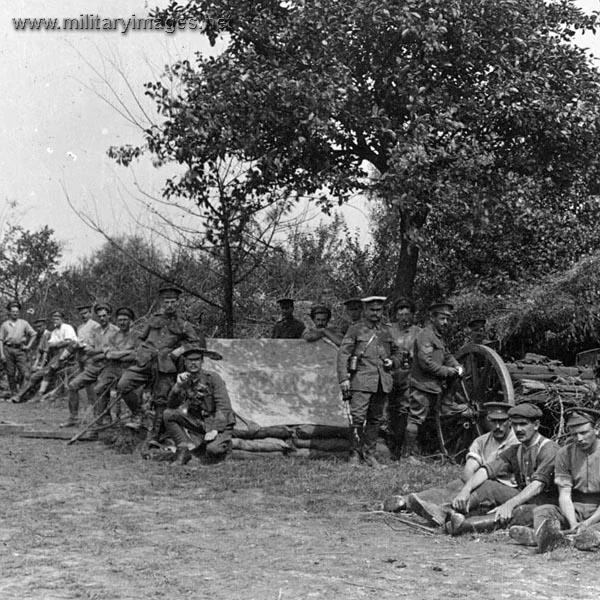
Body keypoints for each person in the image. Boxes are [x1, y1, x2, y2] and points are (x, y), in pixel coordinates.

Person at [390, 402, 518, 524]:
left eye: (502, 422)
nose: (497, 427)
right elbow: (468, 470)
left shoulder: (517, 443)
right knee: (455, 484)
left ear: (510, 422)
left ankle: (443, 511)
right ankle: (406, 501)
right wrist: (468, 486)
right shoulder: (481, 441)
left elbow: (492, 473)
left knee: (485, 487)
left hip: (507, 489)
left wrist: (469, 489)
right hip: (481, 481)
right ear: (487, 420)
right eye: (493, 421)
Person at [444, 402, 559, 536]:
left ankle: (463, 526)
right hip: (526, 497)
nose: (518, 429)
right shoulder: (516, 449)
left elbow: (537, 486)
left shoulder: (549, 449)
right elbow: (486, 470)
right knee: (487, 485)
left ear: (536, 425)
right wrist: (465, 490)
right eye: (515, 424)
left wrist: (509, 504)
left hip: (548, 504)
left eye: (523, 424)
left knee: (519, 513)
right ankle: (449, 511)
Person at [117, 284, 202, 443]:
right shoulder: (153, 320)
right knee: (123, 385)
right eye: (166, 302)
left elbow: (196, 343)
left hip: (165, 365)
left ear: (177, 302)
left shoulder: (183, 324)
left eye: (172, 302)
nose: (169, 305)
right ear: (161, 303)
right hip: (145, 362)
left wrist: (180, 350)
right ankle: (138, 413)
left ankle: (155, 437)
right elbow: (140, 338)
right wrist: (141, 351)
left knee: (161, 399)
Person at [509, 407, 600, 552]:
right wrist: (573, 523)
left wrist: (588, 522)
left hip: (597, 511)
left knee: (593, 530)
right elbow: (564, 494)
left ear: (596, 429)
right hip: (574, 509)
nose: (579, 439)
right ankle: (569, 537)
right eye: (574, 434)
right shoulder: (565, 453)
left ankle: (541, 537)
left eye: (584, 433)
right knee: (543, 510)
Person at [337, 296, 401, 467]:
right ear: (365, 310)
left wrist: (392, 361)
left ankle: (370, 455)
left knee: (375, 419)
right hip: (361, 381)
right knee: (358, 418)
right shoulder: (355, 330)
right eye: (372, 310)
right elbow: (343, 353)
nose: (375, 313)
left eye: (378, 310)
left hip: (382, 382)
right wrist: (343, 378)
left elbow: (398, 353)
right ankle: (354, 456)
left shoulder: (386, 331)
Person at [401, 302, 464, 458]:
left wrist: (457, 366)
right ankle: (407, 456)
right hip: (422, 385)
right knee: (416, 418)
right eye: (442, 318)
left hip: (434, 386)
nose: (445, 322)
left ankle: (418, 452)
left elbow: (447, 356)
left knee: (425, 420)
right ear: (432, 317)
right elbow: (425, 363)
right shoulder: (425, 335)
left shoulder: (438, 338)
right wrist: (447, 371)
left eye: (447, 319)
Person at [163, 343, 234, 465]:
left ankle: (227, 446)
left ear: (202, 362)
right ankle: (183, 450)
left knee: (213, 450)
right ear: (185, 362)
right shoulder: (184, 380)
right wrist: (178, 386)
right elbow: (171, 406)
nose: (193, 363)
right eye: (190, 360)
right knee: (168, 414)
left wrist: (215, 429)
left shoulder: (212, 378)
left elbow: (223, 406)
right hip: (200, 423)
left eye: (197, 360)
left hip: (217, 423)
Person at [63, 303, 119, 427]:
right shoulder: (95, 330)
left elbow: (114, 352)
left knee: (100, 388)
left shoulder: (116, 331)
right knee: (72, 385)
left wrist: (100, 352)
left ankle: (103, 419)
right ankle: (73, 418)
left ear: (109, 316)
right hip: (94, 365)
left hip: (109, 366)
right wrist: (103, 350)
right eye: (99, 316)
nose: (102, 318)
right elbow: (89, 350)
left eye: (104, 316)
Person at [13, 310, 78, 403]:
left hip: (68, 355)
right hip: (56, 356)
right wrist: (59, 344)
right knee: (37, 374)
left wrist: (57, 345)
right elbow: (50, 345)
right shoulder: (55, 331)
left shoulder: (67, 328)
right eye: (54, 319)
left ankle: (31, 395)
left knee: (46, 371)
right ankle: (23, 395)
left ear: (62, 319)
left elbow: (70, 342)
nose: (55, 320)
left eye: (58, 318)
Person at [386, 297, 421, 458]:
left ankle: (404, 448)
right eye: (400, 314)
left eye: (407, 314)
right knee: (387, 410)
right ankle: (388, 446)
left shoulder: (418, 332)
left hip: (409, 376)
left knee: (405, 410)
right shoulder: (388, 330)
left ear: (412, 315)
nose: (404, 318)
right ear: (395, 315)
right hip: (389, 374)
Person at [93, 306, 137, 425]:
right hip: (113, 367)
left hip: (131, 368)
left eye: (125, 319)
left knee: (125, 386)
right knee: (99, 388)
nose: (122, 322)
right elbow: (109, 355)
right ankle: (101, 420)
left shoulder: (137, 336)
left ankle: (134, 416)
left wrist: (119, 354)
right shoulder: (113, 336)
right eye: (120, 320)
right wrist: (127, 352)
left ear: (130, 321)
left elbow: (136, 355)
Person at [0, 301, 36, 397]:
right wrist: (2, 354)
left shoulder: (24, 323)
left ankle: (22, 392)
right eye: (13, 311)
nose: (15, 313)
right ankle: (14, 393)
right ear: (9, 312)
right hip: (8, 349)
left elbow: (34, 334)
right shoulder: (5, 325)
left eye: (17, 311)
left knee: (25, 372)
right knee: (10, 373)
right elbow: (0, 339)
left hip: (20, 350)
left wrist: (28, 346)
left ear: (19, 312)